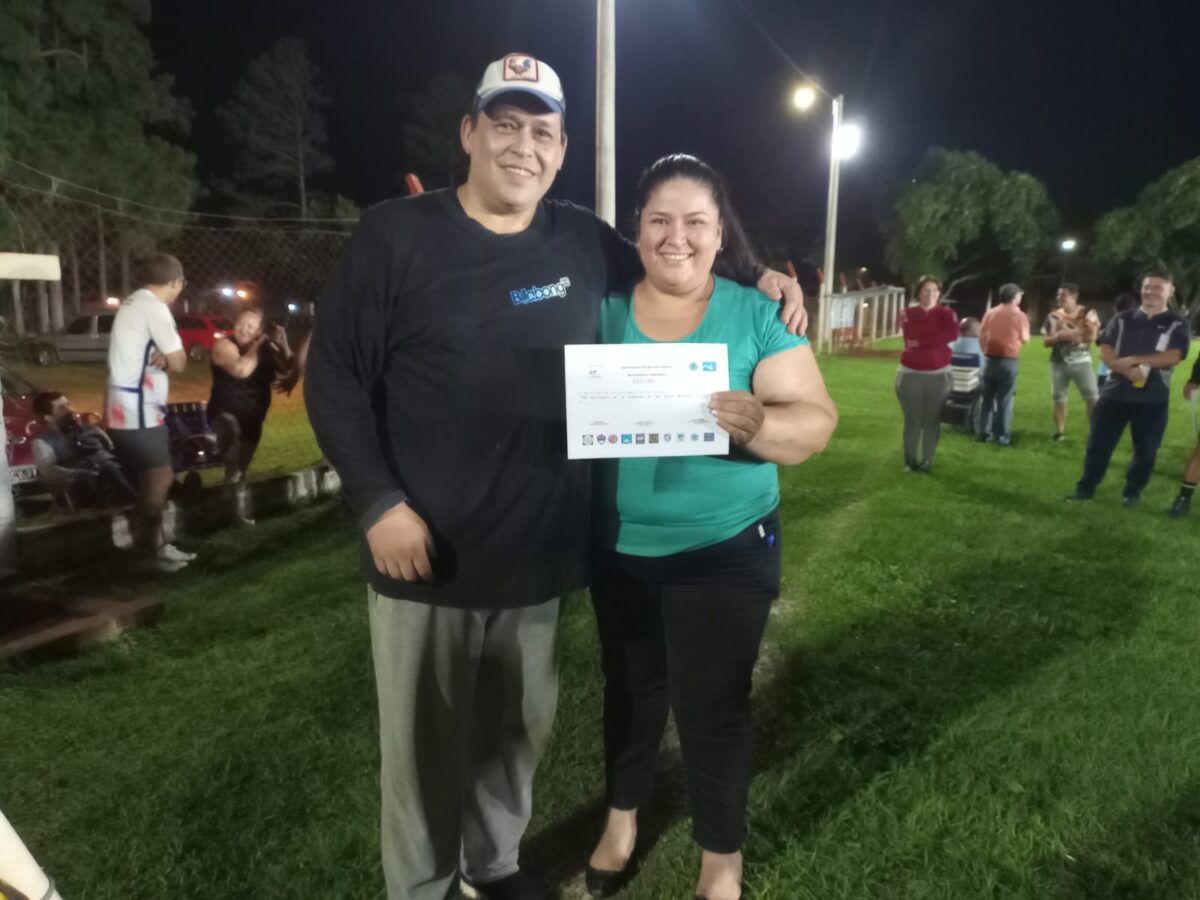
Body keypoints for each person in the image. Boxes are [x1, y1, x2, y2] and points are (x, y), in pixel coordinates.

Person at [304, 54, 806, 900]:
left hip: (539, 555)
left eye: (541, 131)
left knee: (515, 733)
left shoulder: (579, 237)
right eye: (504, 124)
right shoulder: (398, 234)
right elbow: (335, 377)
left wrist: (759, 274)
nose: (521, 146)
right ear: (469, 132)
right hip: (422, 549)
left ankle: (494, 868)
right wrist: (378, 503)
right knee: (424, 748)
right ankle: (424, 887)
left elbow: (676, 248)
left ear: (563, 148)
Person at [583, 155, 837, 900]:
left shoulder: (755, 313)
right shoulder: (598, 311)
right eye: (660, 219)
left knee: (712, 703)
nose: (676, 237)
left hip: (723, 552)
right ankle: (621, 821)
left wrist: (758, 421)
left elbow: (816, 422)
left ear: (720, 233)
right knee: (629, 690)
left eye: (695, 221)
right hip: (620, 550)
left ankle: (720, 860)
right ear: (636, 229)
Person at [105, 252, 195, 573]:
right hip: (137, 409)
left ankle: (154, 545)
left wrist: (163, 355)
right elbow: (181, 362)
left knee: (152, 478)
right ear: (176, 282)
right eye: (182, 282)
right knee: (160, 477)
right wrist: (169, 356)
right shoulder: (155, 309)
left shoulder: (133, 302)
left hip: (125, 406)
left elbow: (164, 355)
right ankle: (152, 550)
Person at [1069, 270, 1189, 506]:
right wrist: (1121, 367)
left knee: (1146, 451)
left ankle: (1132, 492)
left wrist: (1133, 359)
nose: (1150, 291)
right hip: (1115, 393)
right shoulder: (1123, 318)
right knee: (1098, 444)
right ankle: (1086, 487)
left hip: (1152, 397)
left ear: (1170, 291)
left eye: (1158, 287)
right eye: (1147, 286)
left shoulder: (1176, 323)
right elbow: (1105, 346)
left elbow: (1174, 356)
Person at [207, 307, 294, 484]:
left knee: (241, 470)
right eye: (240, 324)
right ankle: (230, 489)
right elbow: (241, 370)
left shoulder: (266, 348)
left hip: (253, 419)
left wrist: (283, 343)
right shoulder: (224, 345)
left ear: (259, 331)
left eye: (251, 326)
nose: (244, 329)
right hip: (224, 413)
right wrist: (257, 345)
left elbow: (286, 369)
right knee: (232, 461)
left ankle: (237, 499)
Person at [894, 275, 958, 472]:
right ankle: (909, 460)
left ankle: (927, 461)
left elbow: (953, 334)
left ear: (939, 293)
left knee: (931, 420)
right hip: (910, 373)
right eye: (926, 290)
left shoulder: (947, 313)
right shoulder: (907, 313)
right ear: (919, 292)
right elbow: (911, 334)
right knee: (912, 419)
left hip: (938, 374)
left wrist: (922, 342)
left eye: (934, 291)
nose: (930, 295)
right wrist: (935, 338)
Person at [30, 391, 134, 503]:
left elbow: (113, 449)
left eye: (68, 404)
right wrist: (79, 474)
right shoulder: (43, 442)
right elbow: (49, 471)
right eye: (61, 408)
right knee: (109, 469)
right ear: (48, 418)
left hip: (111, 473)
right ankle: (135, 498)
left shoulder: (91, 429)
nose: (70, 410)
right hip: (81, 485)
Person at [1042, 283, 1100, 441]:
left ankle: (1095, 432)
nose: (1058, 298)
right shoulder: (1053, 316)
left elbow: (1091, 337)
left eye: (1063, 295)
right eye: (1058, 294)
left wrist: (1063, 334)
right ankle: (1059, 432)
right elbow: (1046, 341)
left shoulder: (1088, 312)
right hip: (1058, 362)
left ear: (1074, 296)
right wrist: (1063, 336)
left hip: (1082, 362)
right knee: (1058, 397)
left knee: (1092, 397)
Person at [978, 283, 1030, 446]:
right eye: (1019, 295)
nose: (1021, 297)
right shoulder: (1019, 315)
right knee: (1005, 399)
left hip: (989, 359)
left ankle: (984, 432)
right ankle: (1001, 435)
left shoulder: (990, 312)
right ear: (1014, 296)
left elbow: (982, 334)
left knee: (987, 398)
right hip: (1008, 360)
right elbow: (1025, 338)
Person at [1096, 293, 1137, 389]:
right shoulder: (1140, 325)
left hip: (1106, 370)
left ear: (1115, 307)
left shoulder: (1113, 322)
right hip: (1132, 370)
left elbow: (1099, 342)